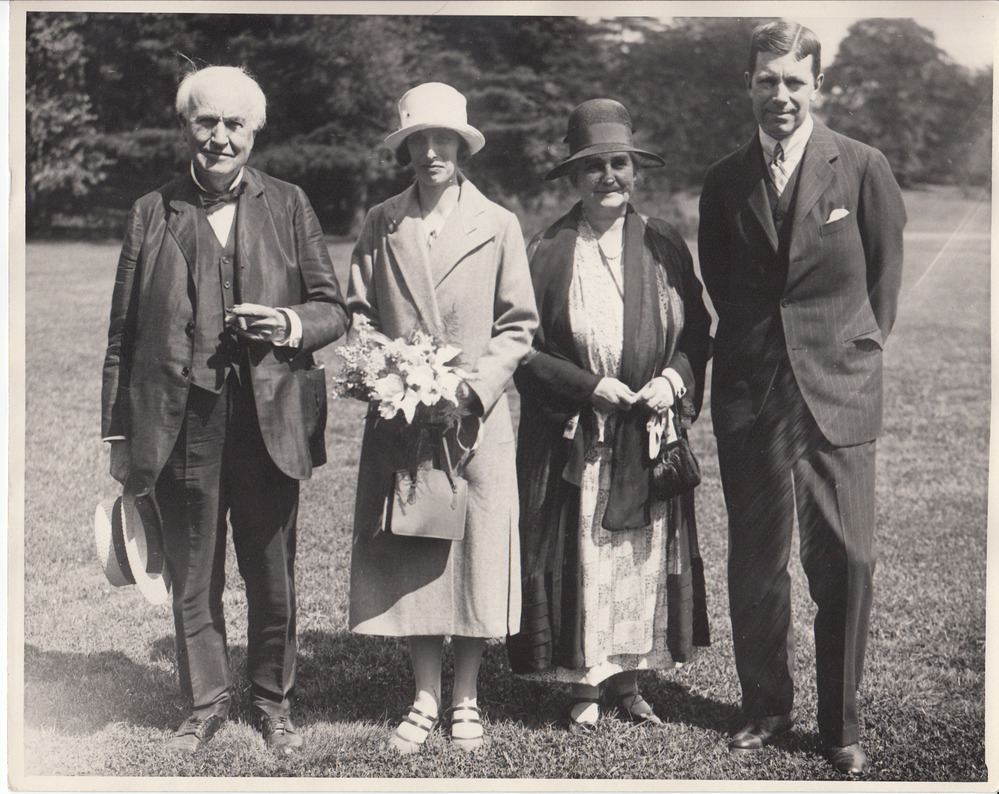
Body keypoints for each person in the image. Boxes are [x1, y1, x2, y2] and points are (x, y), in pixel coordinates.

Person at [101, 65, 349, 755]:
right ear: (187, 126)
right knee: (191, 571)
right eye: (206, 121)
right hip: (181, 420)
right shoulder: (151, 211)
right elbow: (122, 333)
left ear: (254, 132)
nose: (219, 137)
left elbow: (333, 309)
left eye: (233, 124)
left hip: (271, 417)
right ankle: (203, 704)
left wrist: (288, 323)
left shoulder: (289, 203)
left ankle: (273, 702)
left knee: (272, 573)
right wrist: (119, 435)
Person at [697, 21, 906, 775]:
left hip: (837, 390)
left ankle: (839, 724)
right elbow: (721, 281)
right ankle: (765, 707)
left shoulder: (861, 166)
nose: (779, 94)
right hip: (752, 393)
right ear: (747, 85)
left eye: (793, 80)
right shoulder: (724, 179)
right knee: (758, 561)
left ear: (817, 85)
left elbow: (883, 281)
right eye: (766, 80)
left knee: (848, 558)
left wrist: (844, 356)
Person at [346, 82, 538, 754]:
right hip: (404, 419)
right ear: (405, 150)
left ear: (462, 146)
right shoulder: (382, 222)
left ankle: (467, 697)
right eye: (418, 141)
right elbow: (360, 315)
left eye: (443, 140)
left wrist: (471, 390)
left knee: (475, 553)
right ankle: (425, 695)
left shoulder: (498, 223)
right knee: (415, 549)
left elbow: (518, 325)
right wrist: (391, 372)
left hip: (474, 422)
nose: (431, 153)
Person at [508, 99, 712, 729]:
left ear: (635, 171)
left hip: (646, 434)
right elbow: (522, 350)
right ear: (575, 176)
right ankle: (584, 683)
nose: (608, 177)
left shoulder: (663, 244)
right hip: (581, 434)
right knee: (586, 551)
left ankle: (629, 678)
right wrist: (590, 387)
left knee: (638, 556)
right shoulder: (547, 250)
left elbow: (698, 331)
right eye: (593, 166)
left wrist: (673, 380)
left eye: (619, 163)